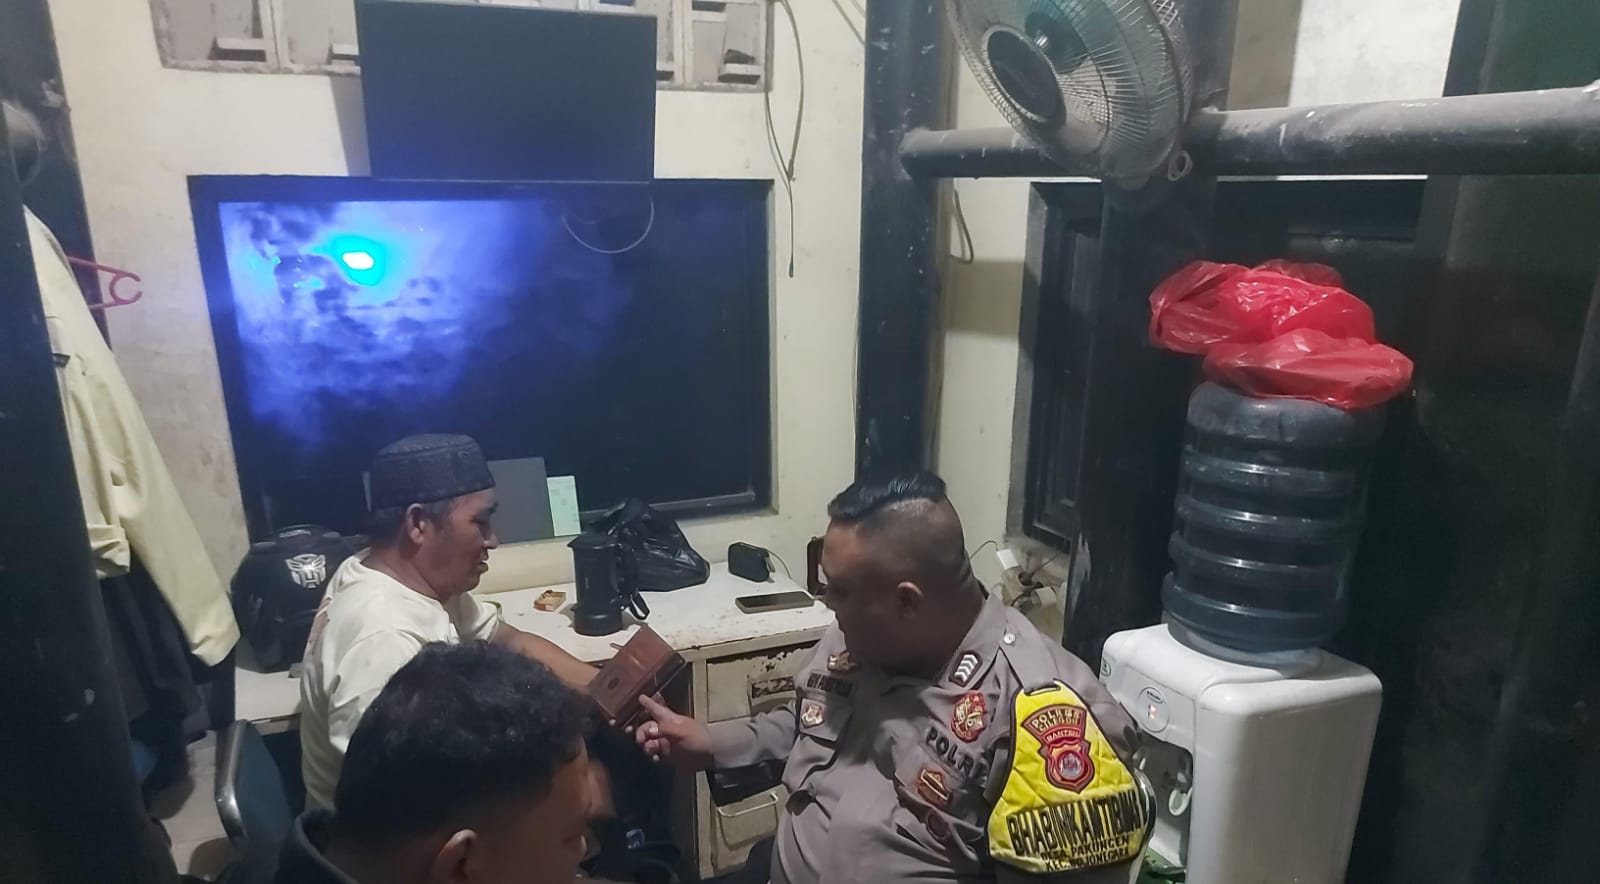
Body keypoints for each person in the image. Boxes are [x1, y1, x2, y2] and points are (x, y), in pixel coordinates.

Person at [634, 470, 1151, 883]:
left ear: (906, 602)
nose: (826, 603)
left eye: (838, 590)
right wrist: (711, 744)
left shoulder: (1043, 716)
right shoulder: (861, 635)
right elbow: (810, 724)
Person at [301, 433, 599, 809]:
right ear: (418, 523)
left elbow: (508, 640)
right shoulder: (382, 639)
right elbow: (394, 804)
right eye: (480, 522)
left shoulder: (395, 575)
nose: (494, 540)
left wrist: (607, 692)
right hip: (394, 836)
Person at [228, 641, 597, 884]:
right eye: (570, 836)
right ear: (459, 867)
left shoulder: (283, 860)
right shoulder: (381, 637)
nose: (581, 851)